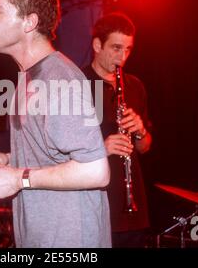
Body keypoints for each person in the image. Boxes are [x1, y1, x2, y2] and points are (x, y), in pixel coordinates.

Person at [0, 0, 111, 248]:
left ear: (30, 22)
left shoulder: (58, 79)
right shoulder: (28, 78)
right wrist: (9, 160)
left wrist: (17, 178)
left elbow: (96, 171)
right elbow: (52, 154)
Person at [82, 13, 153, 247]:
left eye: (128, 49)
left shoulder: (135, 85)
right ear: (97, 45)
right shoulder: (76, 84)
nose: (123, 57)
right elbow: (58, 152)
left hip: (132, 212)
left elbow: (145, 148)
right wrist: (101, 149)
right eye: (116, 48)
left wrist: (140, 131)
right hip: (95, 205)